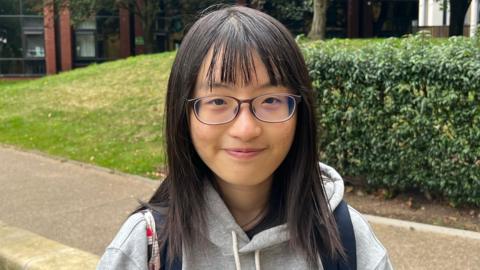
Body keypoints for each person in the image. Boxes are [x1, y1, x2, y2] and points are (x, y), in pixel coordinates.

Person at [97, 5, 393, 270]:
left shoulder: (347, 239)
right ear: (183, 114)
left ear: (299, 113)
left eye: (270, 100)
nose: (246, 129)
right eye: (217, 101)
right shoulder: (145, 248)